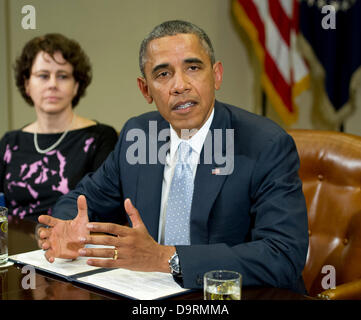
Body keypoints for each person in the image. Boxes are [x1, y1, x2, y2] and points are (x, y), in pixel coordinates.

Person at [38, 21, 309, 294]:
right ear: (146, 90)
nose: (180, 85)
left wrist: (166, 258)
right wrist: (68, 227)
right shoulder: (140, 134)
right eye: (164, 74)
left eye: (193, 68)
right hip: (149, 293)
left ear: (216, 75)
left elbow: (283, 254)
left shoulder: (265, 144)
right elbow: (81, 200)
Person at [0, 34, 118, 222]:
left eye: (63, 76)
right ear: (27, 84)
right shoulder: (10, 142)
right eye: (43, 76)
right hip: (15, 248)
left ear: (76, 86)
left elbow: (105, 207)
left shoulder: (100, 137)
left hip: (76, 247)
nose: (53, 85)